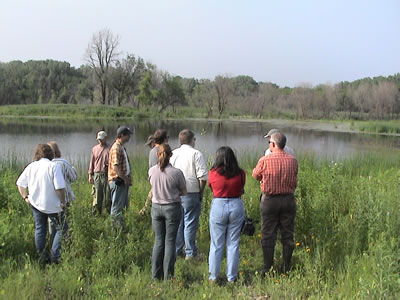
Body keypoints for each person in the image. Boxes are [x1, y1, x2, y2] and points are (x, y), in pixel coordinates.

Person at [252, 132, 298, 274]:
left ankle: (268, 268)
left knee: (267, 234)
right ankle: (286, 267)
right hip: (288, 200)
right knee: (287, 234)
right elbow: (295, 179)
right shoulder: (293, 160)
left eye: (269, 143)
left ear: (273, 144)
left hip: (270, 201)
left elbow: (255, 175)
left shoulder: (265, 160)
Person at [16, 144, 68, 264]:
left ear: (37, 154)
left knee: (40, 229)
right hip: (53, 206)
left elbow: (20, 183)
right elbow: (59, 187)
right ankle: (54, 257)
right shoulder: (53, 166)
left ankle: (42, 257)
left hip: (36, 204)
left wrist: (25, 197)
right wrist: (63, 202)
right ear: (51, 154)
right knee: (62, 228)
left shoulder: (31, 166)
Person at [149, 144, 187, 280]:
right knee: (170, 242)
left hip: (156, 207)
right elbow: (184, 191)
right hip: (172, 208)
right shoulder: (176, 173)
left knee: (158, 241)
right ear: (171, 155)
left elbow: (152, 187)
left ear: (157, 155)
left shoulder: (152, 171)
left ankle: (155, 276)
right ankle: (168, 277)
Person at [208, 146, 245, 283]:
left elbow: (211, 188)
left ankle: (213, 277)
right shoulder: (241, 173)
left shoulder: (213, 173)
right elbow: (241, 188)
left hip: (218, 205)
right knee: (233, 243)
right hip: (236, 205)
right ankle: (231, 277)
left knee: (216, 244)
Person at [170, 129, 208, 259]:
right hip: (191, 192)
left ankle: (177, 249)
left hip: (175, 193)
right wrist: (201, 192)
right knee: (190, 223)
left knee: (178, 223)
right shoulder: (196, 154)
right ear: (192, 140)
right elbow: (202, 177)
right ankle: (190, 252)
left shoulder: (173, 153)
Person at [139, 129, 169, 215]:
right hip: (160, 178)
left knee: (153, 194)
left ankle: (145, 210)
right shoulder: (161, 151)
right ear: (164, 139)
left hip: (153, 177)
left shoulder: (152, 151)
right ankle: (145, 211)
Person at [108, 126, 133, 229]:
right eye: (128, 135)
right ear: (122, 135)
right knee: (116, 208)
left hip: (121, 181)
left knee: (122, 207)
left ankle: (120, 228)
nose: (129, 137)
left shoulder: (121, 147)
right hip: (117, 181)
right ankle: (115, 230)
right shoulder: (116, 148)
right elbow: (116, 167)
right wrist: (125, 178)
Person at [88, 130, 111, 215]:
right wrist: (90, 175)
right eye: (99, 139)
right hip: (97, 174)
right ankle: (97, 214)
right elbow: (92, 162)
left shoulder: (110, 148)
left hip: (106, 175)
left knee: (108, 196)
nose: (100, 141)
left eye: (101, 139)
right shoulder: (94, 149)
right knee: (97, 196)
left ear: (106, 138)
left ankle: (110, 214)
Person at [47, 141, 77, 205]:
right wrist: (74, 171)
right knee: (65, 213)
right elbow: (73, 178)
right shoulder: (64, 163)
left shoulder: (44, 164)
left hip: (49, 198)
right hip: (65, 195)